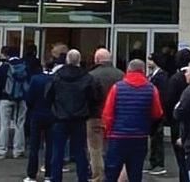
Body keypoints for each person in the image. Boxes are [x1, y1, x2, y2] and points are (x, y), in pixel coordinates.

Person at [102, 59, 164, 182]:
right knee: (135, 173)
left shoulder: (117, 88)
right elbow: (157, 113)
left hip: (118, 136)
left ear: (128, 70)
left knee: (111, 173)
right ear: (143, 71)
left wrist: (108, 132)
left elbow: (107, 113)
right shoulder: (151, 89)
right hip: (140, 137)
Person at [45, 49, 96, 182]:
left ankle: (55, 178)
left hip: (60, 117)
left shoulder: (57, 76)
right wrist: (87, 111)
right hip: (79, 118)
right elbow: (93, 97)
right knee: (80, 151)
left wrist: (54, 109)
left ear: (67, 60)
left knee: (57, 151)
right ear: (79, 60)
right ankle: (82, 178)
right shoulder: (86, 77)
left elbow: (48, 95)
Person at [87, 48, 124, 182]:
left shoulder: (91, 75)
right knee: (113, 148)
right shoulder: (121, 75)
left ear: (97, 59)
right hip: (115, 117)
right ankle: (114, 175)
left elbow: (89, 97)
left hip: (95, 116)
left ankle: (97, 176)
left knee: (95, 149)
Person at [0, 46, 29, 159]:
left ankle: (2, 151)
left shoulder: (4, 67)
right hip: (21, 99)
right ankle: (18, 151)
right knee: (20, 124)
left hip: (5, 98)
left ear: (7, 55)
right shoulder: (24, 66)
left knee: (4, 125)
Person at [165, 48, 190, 182]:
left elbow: (169, 100)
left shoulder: (175, 79)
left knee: (181, 159)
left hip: (178, 122)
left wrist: (169, 118)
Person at [24, 60, 55, 182]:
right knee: (51, 146)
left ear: (43, 66)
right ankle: (49, 174)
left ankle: (32, 175)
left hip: (37, 114)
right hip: (52, 115)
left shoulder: (35, 79)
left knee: (34, 146)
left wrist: (32, 109)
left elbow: (29, 98)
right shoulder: (56, 79)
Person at [144, 53, 169, 176]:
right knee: (154, 138)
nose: (148, 62)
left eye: (150, 60)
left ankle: (158, 164)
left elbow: (162, 96)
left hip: (158, 112)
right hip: (153, 112)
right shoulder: (152, 76)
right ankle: (153, 162)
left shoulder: (161, 77)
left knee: (157, 139)